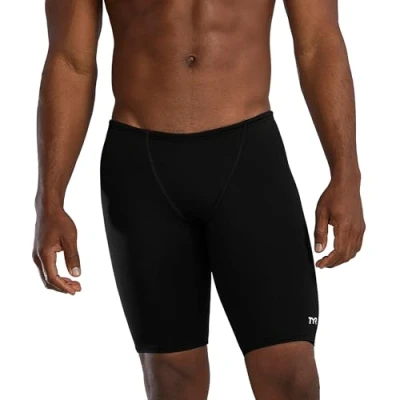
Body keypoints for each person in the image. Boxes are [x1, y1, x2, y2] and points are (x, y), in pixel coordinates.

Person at [32, 0, 366, 399]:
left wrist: (346, 174)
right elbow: (70, 62)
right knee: (173, 379)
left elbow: (319, 42)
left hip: (249, 161)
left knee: (290, 374)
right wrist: (49, 200)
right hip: (141, 167)